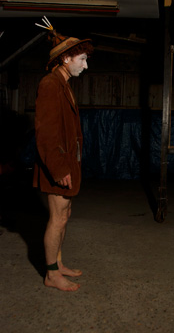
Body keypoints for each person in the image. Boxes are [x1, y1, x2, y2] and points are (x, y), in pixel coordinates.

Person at [33, 20, 94, 291]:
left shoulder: (64, 83)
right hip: (56, 166)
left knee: (65, 215)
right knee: (57, 218)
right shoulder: (50, 84)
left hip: (67, 163)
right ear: (66, 57)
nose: (85, 65)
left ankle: (57, 264)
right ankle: (50, 275)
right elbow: (45, 134)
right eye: (81, 59)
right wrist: (58, 170)